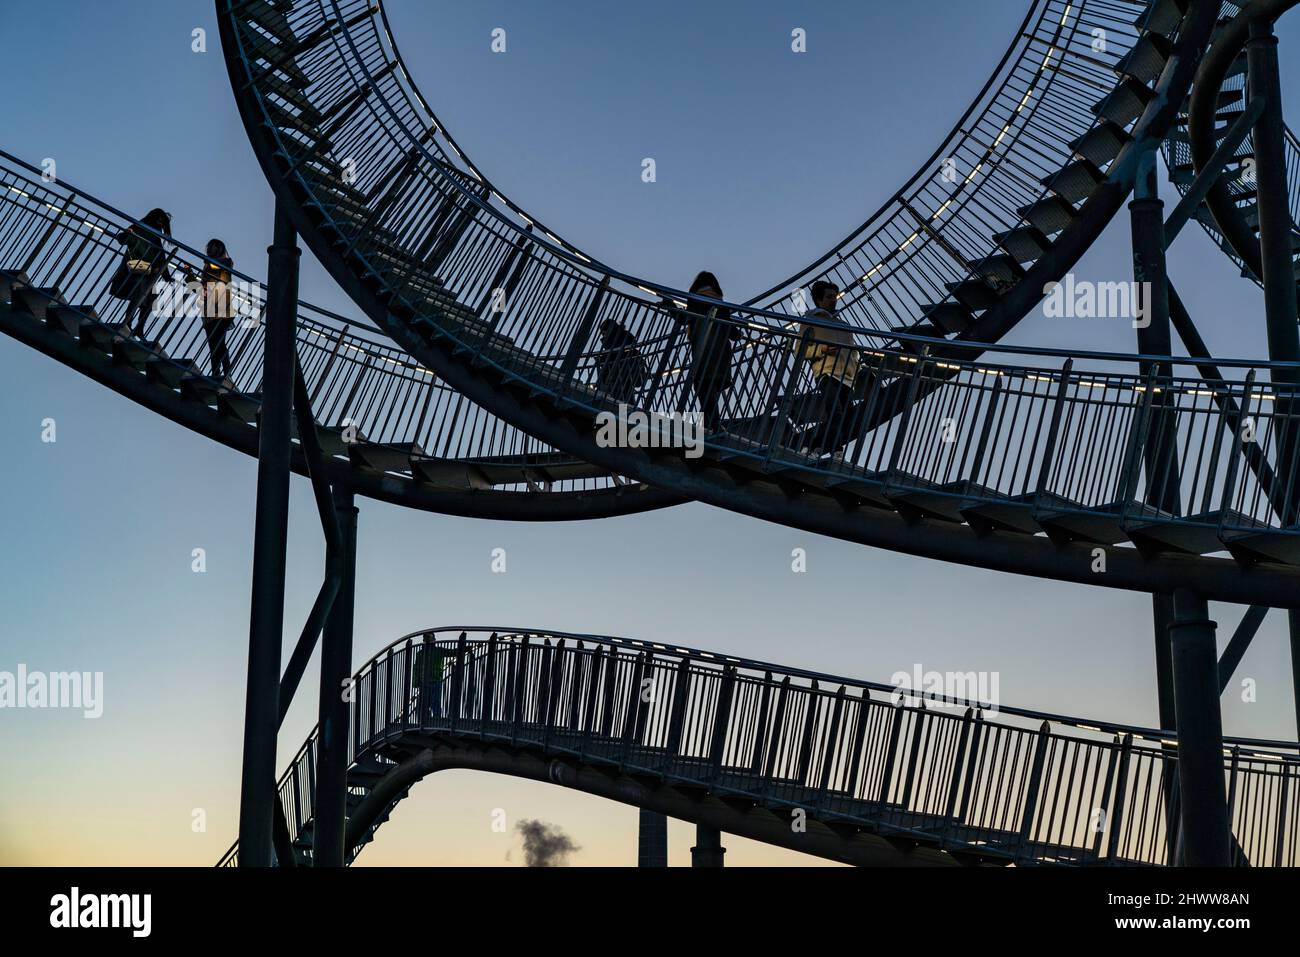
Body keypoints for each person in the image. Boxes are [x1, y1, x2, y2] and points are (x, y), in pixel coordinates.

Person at [793, 280, 869, 458]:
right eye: (829, 297)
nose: (833, 300)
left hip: (847, 377)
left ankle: (815, 446)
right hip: (826, 373)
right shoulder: (811, 319)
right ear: (819, 300)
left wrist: (856, 369)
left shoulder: (844, 325)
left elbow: (852, 351)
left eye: (835, 296)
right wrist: (822, 350)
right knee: (836, 413)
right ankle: (835, 450)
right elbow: (799, 350)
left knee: (846, 417)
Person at [675, 271, 741, 432]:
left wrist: (669, 303)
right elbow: (733, 333)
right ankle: (713, 427)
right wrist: (739, 332)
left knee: (703, 389)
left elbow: (684, 319)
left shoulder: (696, 300)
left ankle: (714, 428)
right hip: (722, 356)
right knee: (710, 392)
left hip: (704, 353)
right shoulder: (721, 303)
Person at [109, 208, 173, 338]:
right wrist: (128, 234)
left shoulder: (156, 237)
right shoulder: (140, 226)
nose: (160, 224)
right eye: (158, 220)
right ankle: (128, 322)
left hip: (147, 273)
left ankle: (139, 327)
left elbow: (161, 258)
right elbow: (122, 238)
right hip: (133, 271)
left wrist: (167, 276)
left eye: (162, 222)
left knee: (150, 299)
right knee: (138, 293)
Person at [197, 239, 235, 380]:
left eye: (215, 247)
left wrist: (207, 263)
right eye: (211, 247)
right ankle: (218, 372)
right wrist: (188, 274)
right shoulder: (208, 267)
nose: (212, 249)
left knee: (218, 343)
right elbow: (200, 287)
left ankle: (224, 373)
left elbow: (218, 267)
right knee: (214, 343)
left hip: (221, 308)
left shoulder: (225, 262)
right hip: (209, 309)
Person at [594, 317, 648, 405]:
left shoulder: (617, 341)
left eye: (604, 331)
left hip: (621, 375)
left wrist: (602, 360)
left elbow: (615, 355)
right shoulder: (624, 338)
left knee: (621, 400)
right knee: (625, 401)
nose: (603, 335)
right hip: (624, 376)